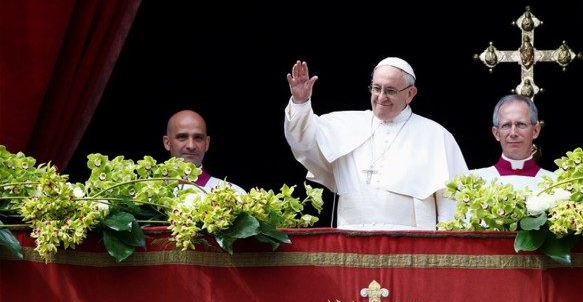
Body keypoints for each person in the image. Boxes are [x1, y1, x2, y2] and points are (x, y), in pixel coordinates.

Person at [284, 57, 468, 230]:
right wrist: (300, 102)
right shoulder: (346, 125)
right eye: (376, 88)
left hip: (411, 244)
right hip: (351, 238)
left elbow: (453, 203)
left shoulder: (436, 135)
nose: (381, 97)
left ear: (410, 93)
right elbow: (302, 141)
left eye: (390, 91)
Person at [470, 94, 555, 190]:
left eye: (521, 124)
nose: (513, 133)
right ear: (496, 133)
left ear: (535, 131)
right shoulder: (474, 183)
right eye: (506, 125)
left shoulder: (556, 183)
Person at [162, 109, 245, 194]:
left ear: (207, 143)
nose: (191, 146)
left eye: (198, 137)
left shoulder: (233, 193)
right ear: (167, 143)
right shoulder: (152, 188)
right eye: (182, 137)